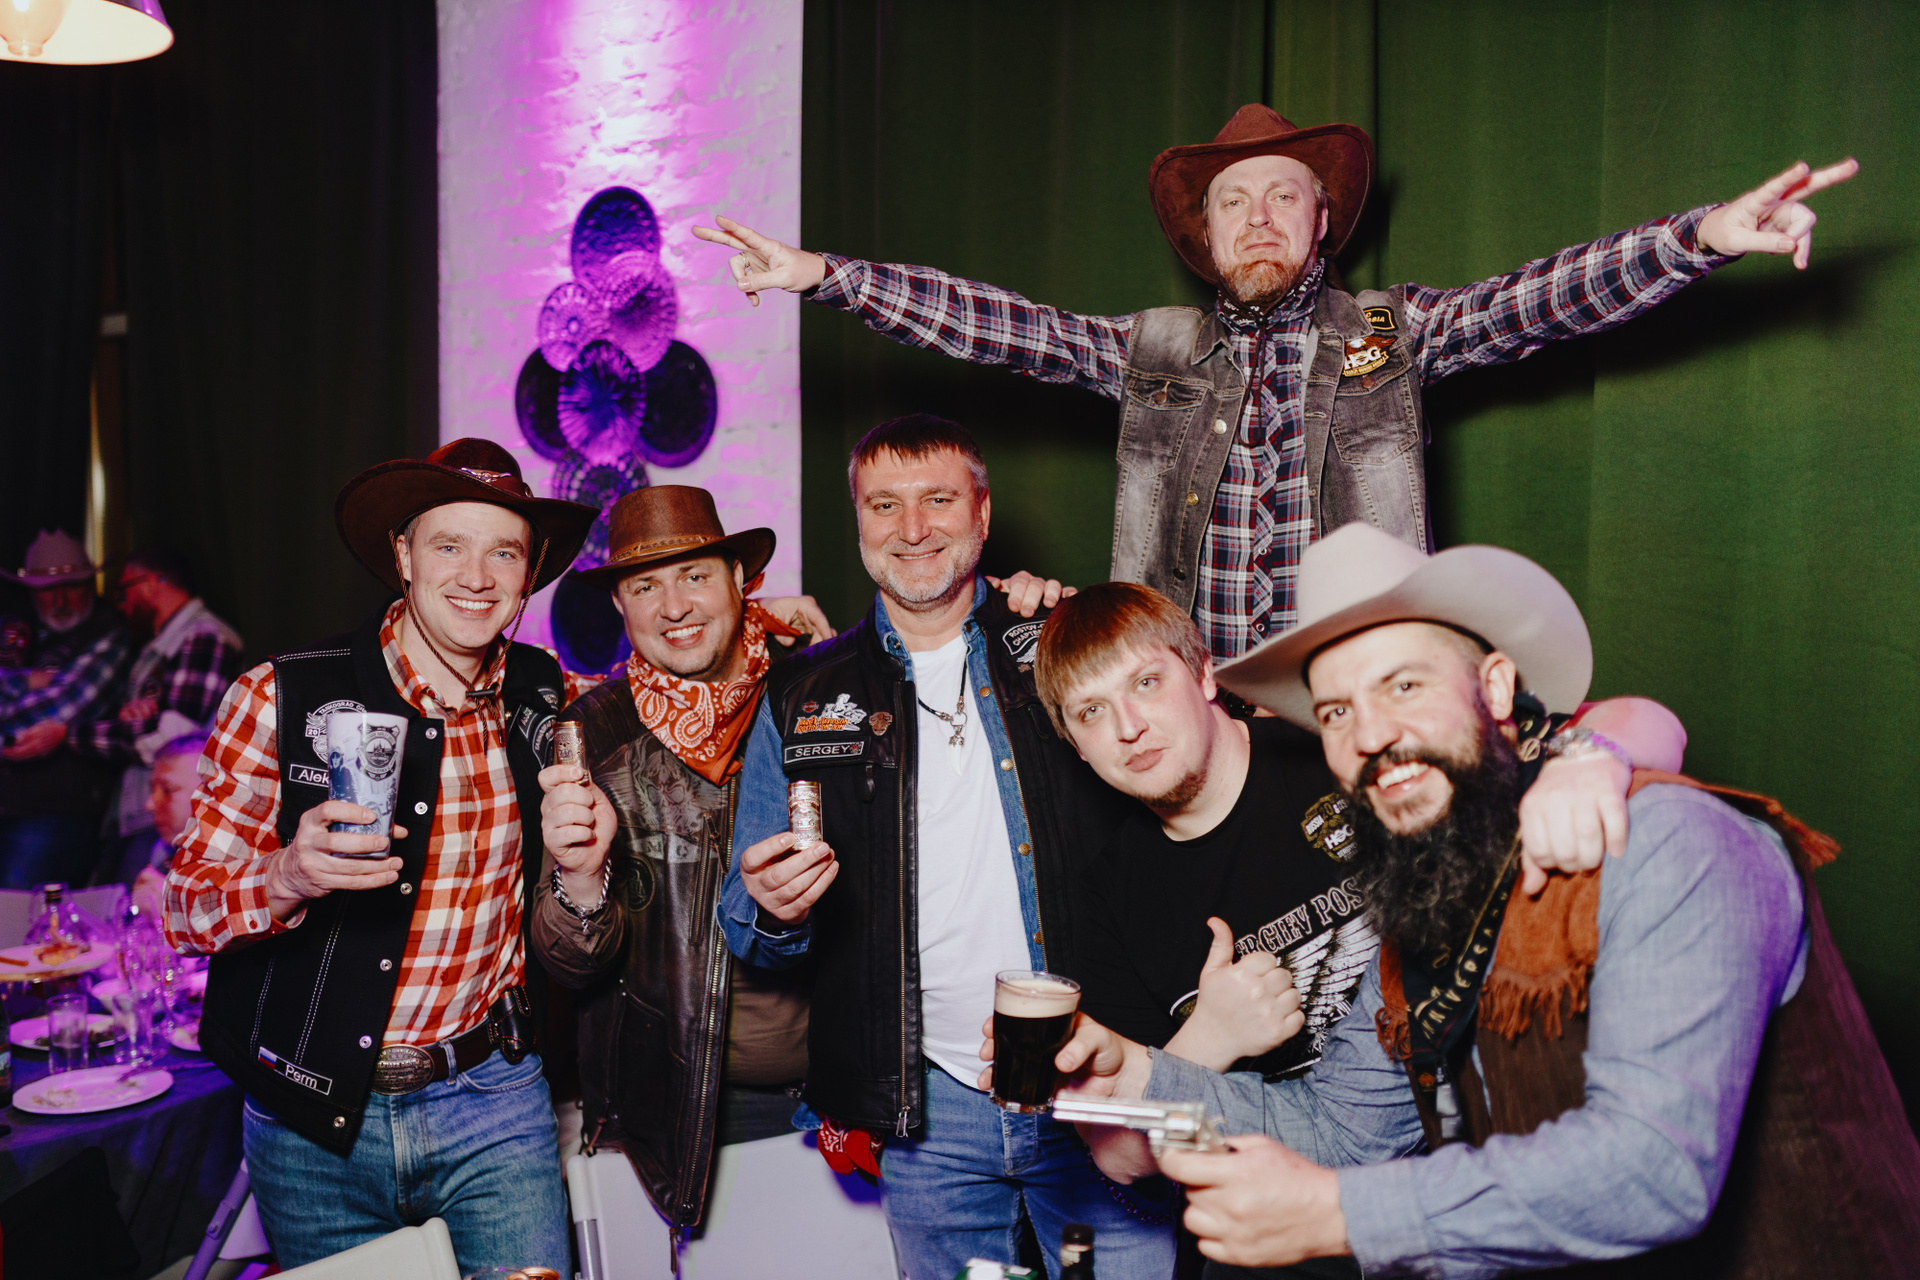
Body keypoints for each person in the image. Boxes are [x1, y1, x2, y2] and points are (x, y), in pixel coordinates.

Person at [1034, 523, 1920, 1278]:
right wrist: (1140, 1073)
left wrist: (1341, 1214)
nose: (1371, 735)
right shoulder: (1422, 910)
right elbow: (1341, 1130)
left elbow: (1654, 1167)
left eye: (1404, 686)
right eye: (1335, 712)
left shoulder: (1671, 842)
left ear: (1495, 689)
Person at [696, 106, 1857, 664]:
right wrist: (826, 276)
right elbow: (1004, 328)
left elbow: (1536, 301)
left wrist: (1698, 238)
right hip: (1186, 706)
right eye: (1233, 201)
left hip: (1349, 702)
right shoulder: (1153, 349)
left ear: (1321, 220)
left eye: (1283, 195)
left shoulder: (1390, 332)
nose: (1258, 217)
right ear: (1205, 236)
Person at [723, 414, 1172, 1280]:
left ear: (983, 512)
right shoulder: (802, 693)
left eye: (938, 499)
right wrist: (775, 910)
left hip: (1096, 1069)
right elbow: (749, 924)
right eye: (884, 505)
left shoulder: (1062, 642)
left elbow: (1178, 801)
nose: (912, 528)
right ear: (858, 519)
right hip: (927, 1109)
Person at [163, 439, 602, 1273]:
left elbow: (664, 694)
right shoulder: (278, 695)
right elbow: (185, 912)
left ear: (528, 573)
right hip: (310, 1119)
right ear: (403, 555)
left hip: (493, 1099)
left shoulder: (549, 693)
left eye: (503, 552)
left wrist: (769, 633)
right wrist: (285, 875)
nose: (476, 577)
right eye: (449, 545)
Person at [1034, 580, 1683, 1085]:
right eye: (1091, 712)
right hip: (1308, 1167)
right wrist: (1208, 1042)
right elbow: (1120, 1159)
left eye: (1147, 683)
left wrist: (1587, 760)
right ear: (1076, 747)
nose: (1129, 727)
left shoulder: (1341, 742)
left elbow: (1648, 722)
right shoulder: (1108, 897)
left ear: (1205, 673)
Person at [530, 485, 828, 1237]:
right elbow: (570, 965)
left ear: (741, 581)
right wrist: (581, 877)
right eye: (644, 586)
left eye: (695, 575)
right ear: (620, 606)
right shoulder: (592, 731)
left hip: (836, 1101)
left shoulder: (818, 694)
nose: (673, 606)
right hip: (666, 1119)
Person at [71, 546, 243, 885]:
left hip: (176, 812)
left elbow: (173, 740)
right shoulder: (163, 644)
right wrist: (134, 719)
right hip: (143, 807)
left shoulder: (203, 636)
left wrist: (68, 735)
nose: (122, 604)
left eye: (125, 591)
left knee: (142, 902)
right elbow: (155, 728)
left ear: (150, 584)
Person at [0, 530, 133, 888]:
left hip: (57, 810)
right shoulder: (14, 627)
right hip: (11, 803)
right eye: (46, 589)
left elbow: (57, 708)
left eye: (71, 586)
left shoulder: (109, 633)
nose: (59, 599)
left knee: (18, 912)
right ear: (31, 592)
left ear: (90, 585)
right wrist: (25, 681)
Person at [131, 731, 206, 919]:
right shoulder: (161, 853)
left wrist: (177, 911)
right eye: (152, 789)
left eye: (167, 790)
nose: (149, 804)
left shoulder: (250, 866)